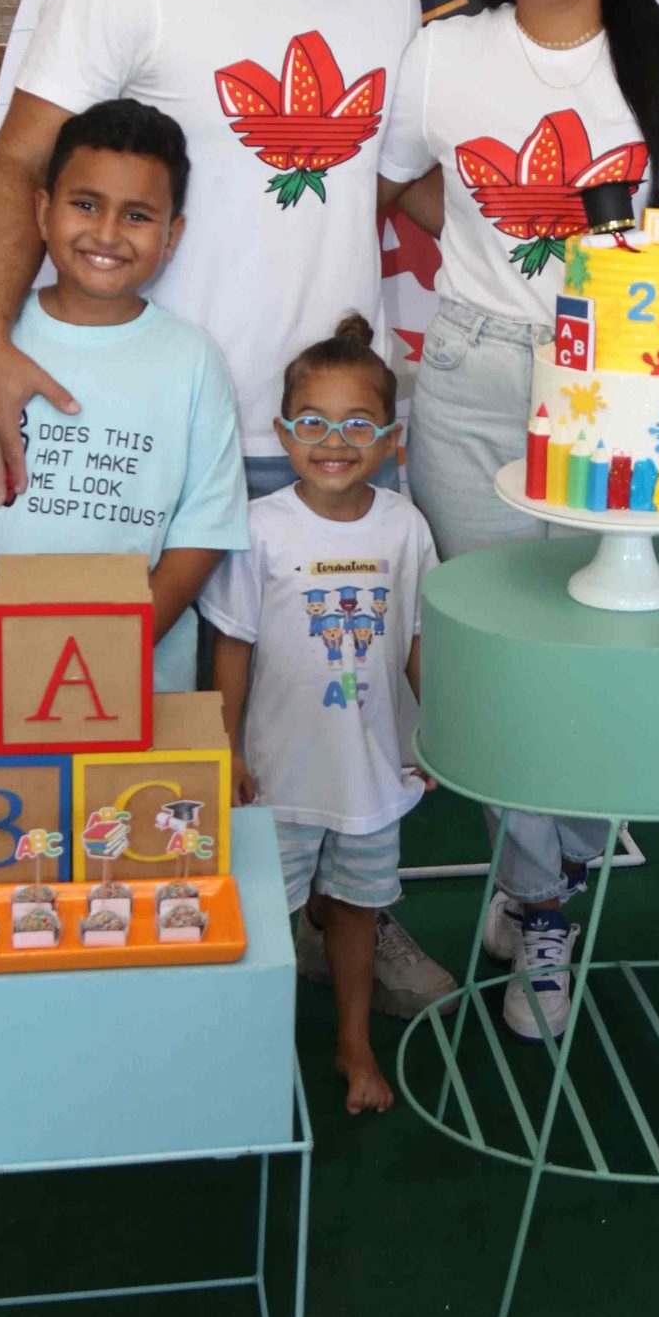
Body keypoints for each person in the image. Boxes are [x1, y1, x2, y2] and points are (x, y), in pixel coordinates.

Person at [0, 0, 451, 1012]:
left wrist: (557, 247)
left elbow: (393, 182)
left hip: (325, 437)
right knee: (155, 728)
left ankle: (349, 910)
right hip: (157, 438)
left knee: (337, 708)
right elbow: (20, 162)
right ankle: (168, 958)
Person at [377, 0, 659, 1043]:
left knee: (594, 653)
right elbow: (399, 176)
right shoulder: (443, 56)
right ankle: (544, 898)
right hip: (473, 378)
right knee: (495, 656)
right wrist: (488, 248)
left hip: (629, 394)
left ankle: (540, 877)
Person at [0, 99, 249, 695]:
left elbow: (204, 528)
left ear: (171, 237)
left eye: (137, 215)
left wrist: (117, 653)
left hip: (142, 684)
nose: (106, 233)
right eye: (85, 204)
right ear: (42, 210)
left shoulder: (194, 360)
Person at [203, 316, 443, 1114]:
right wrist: (227, 749)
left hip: (369, 777)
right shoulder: (260, 528)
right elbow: (232, 645)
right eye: (311, 423)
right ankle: (255, 1053)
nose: (332, 442)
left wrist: (438, 735)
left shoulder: (404, 526)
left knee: (356, 912)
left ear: (389, 440)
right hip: (278, 780)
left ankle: (353, 1044)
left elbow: (415, 638)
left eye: (356, 426)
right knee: (265, 920)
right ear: (281, 433)